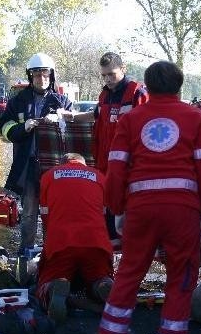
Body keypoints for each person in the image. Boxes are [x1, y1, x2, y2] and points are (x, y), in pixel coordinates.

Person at [96, 61, 201, 334]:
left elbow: (116, 168)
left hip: (140, 210)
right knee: (180, 282)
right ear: (179, 87)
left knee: (127, 276)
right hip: (183, 212)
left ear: (146, 88)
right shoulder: (194, 118)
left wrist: (117, 209)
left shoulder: (132, 119)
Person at [61, 52, 148, 248]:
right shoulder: (104, 95)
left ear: (123, 69)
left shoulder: (136, 93)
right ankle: (112, 249)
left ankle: (133, 248)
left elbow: (146, 127)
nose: (108, 79)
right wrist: (72, 117)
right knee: (108, 204)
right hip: (105, 162)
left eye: (111, 74)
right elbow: (96, 116)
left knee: (129, 207)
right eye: (104, 75)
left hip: (129, 165)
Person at [0, 53, 72, 253]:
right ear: (31, 76)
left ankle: (53, 251)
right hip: (29, 165)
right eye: (37, 75)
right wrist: (23, 127)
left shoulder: (62, 101)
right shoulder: (18, 101)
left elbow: (74, 132)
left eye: (45, 74)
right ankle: (26, 251)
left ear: (51, 75)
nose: (42, 78)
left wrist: (61, 120)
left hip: (55, 167)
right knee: (29, 211)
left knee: (55, 211)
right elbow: (4, 127)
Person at [36, 153, 114, 324]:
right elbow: (103, 214)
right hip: (96, 242)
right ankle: (103, 285)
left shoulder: (49, 176)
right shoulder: (99, 177)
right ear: (83, 164)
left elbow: (45, 215)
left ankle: (53, 288)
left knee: (47, 280)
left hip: (62, 242)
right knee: (98, 274)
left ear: (62, 163)